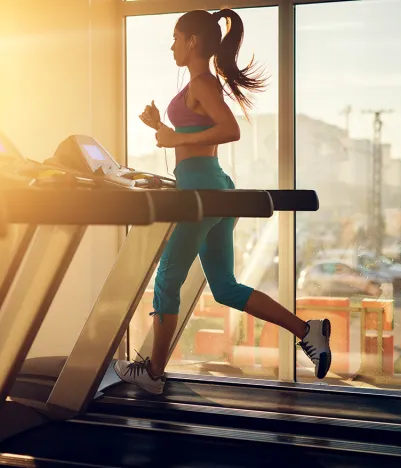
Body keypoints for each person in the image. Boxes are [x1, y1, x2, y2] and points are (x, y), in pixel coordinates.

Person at [114, 9, 331, 395]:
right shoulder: (201, 85)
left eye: (176, 37)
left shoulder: (202, 83)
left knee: (167, 280)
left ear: (192, 41)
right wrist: (161, 128)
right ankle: (306, 330)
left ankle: (152, 374)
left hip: (201, 191)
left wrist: (174, 138)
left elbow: (229, 129)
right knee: (225, 287)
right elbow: (199, 130)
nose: (172, 45)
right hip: (213, 187)